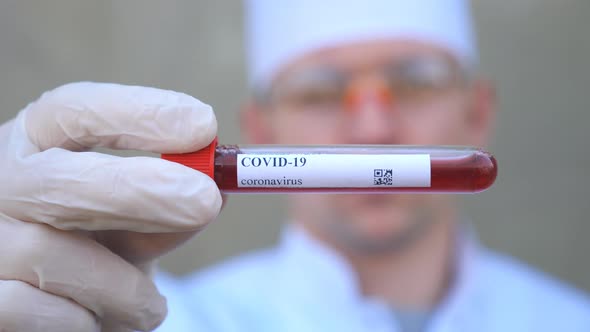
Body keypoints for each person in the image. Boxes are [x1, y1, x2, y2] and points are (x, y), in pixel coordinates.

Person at [0, 1, 588, 332]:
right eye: (320, 91)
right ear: (261, 131)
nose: (373, 129)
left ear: (477, 112)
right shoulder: (161, 320)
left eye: (414, 82)